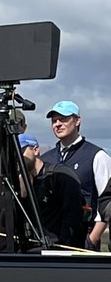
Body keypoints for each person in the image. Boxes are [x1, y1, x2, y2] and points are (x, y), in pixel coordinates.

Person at [40, 100, 111, 249]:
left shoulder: (97, 155)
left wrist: (91, 240)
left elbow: (106, 202)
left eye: (63, 119)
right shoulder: (46, 159)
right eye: (54, 121)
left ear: (77, 121)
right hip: (50, 241)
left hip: (83, 240)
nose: (57, 124)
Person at [20, 133, 84, 249]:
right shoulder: (21, 180)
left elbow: (73, 214)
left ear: (35, 150)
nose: (18, 157)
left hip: (56, 249)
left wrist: (63, 245)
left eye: (22, 151)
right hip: (31, 248)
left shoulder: (58, 175)